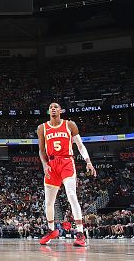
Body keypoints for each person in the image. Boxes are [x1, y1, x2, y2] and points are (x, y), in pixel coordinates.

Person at [37, 102, 97, 247]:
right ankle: (51, 231)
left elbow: (80, 146)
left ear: (60, 110)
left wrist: (88, 162)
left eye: (56, 107)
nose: (53, 108)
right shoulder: (42, 128)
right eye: (50, 107)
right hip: (52, 164)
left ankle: (80, 233)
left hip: (66, 162)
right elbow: (41, 150)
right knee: (49, 202)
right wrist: (45, 164)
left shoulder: (70, 125)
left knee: (71, 195)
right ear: (48, 111)